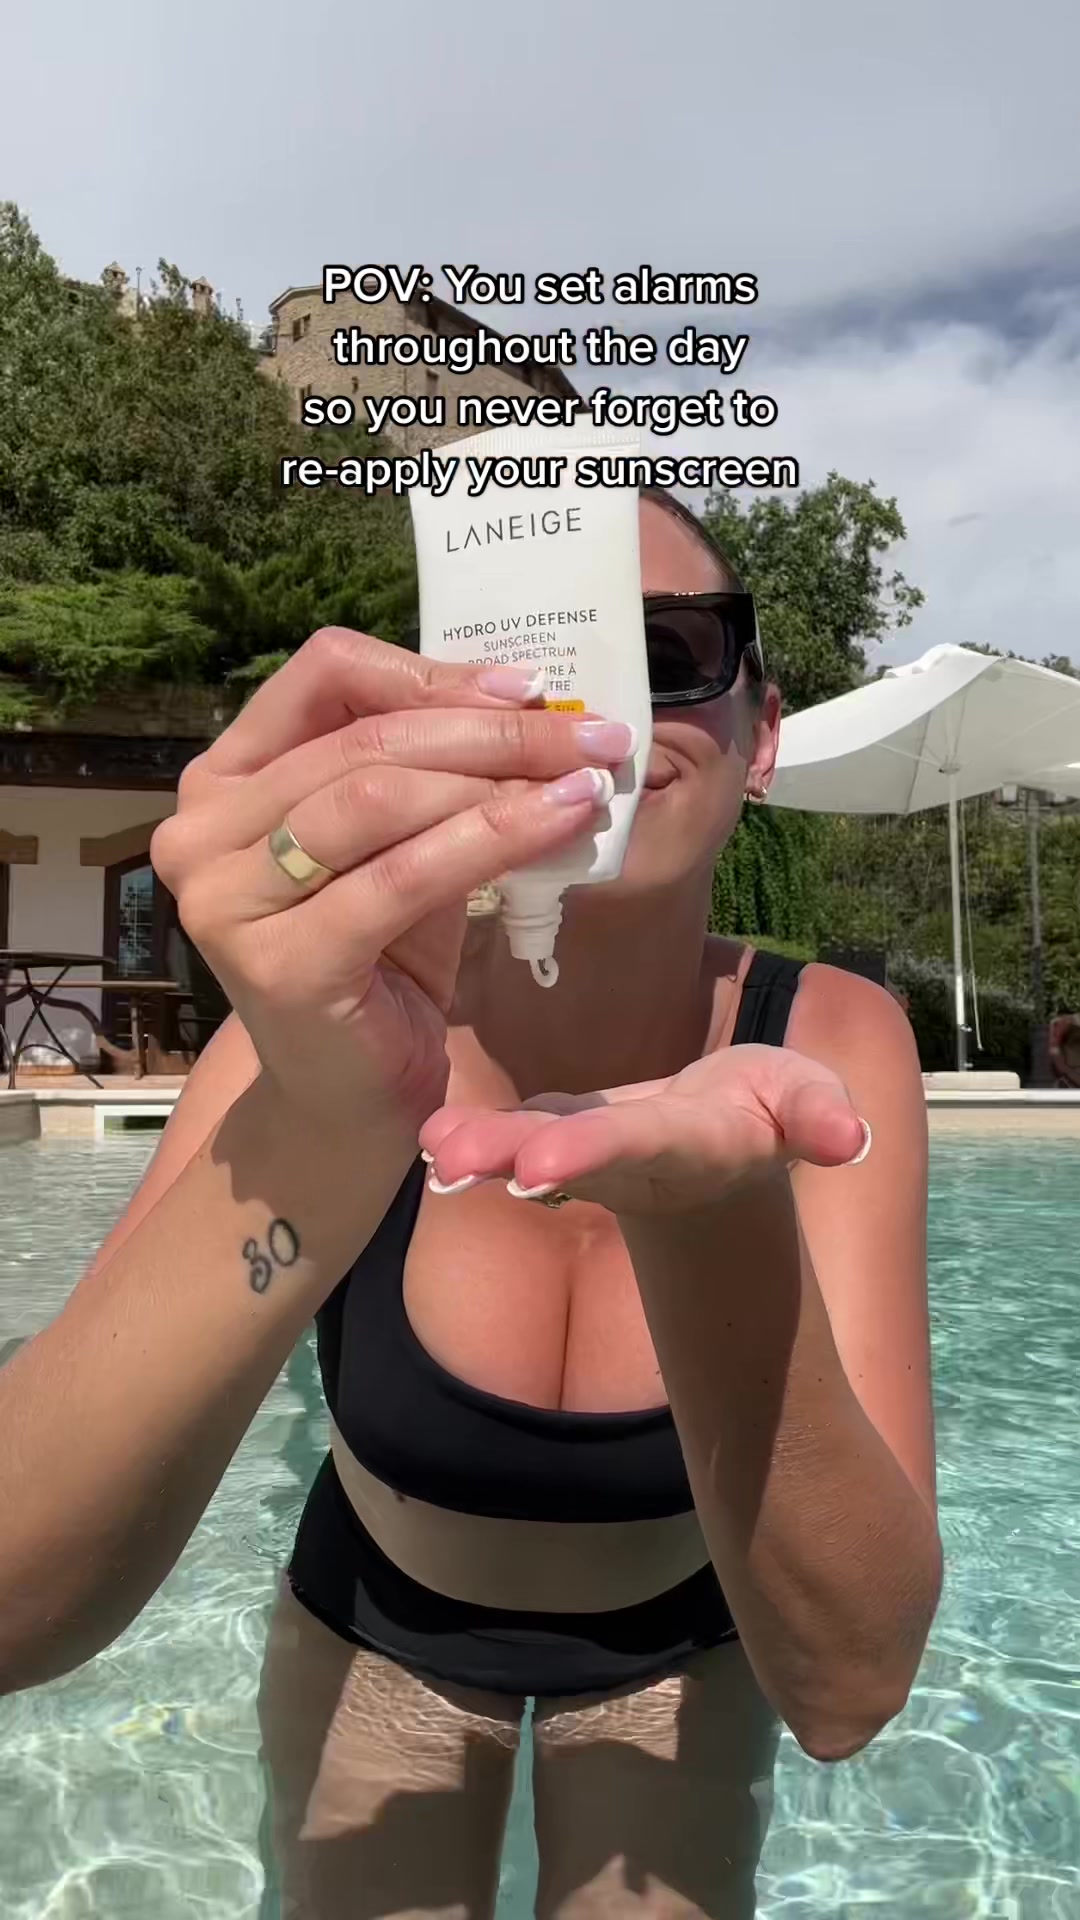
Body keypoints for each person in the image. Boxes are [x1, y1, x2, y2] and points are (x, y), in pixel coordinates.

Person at [0, 491, 943, 1920]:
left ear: (761, 738)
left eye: (668, 652)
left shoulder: (832, 1040)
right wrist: (328, 1125)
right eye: (541, 653)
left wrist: (715, 1218)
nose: (603, 709)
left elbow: (850, 1687)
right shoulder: (316, 1035)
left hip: (682, 1650)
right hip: (376, 1621)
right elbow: (16, 1609)